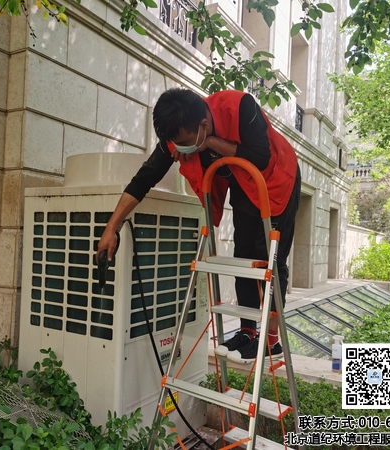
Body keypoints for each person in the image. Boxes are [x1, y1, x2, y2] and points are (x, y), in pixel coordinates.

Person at [95, 88, 301, 363]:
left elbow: (261, 157)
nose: (178, 148)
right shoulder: (179, 132)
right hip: (243, 182)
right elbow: (144, 178)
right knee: (243, 256)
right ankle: (248, 333)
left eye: (183, 142)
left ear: (203, 125)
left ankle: (271, 340)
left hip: (277, 178)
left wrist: (212, 143)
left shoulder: (239, 107)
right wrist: (112, 227)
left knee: (271, 260)